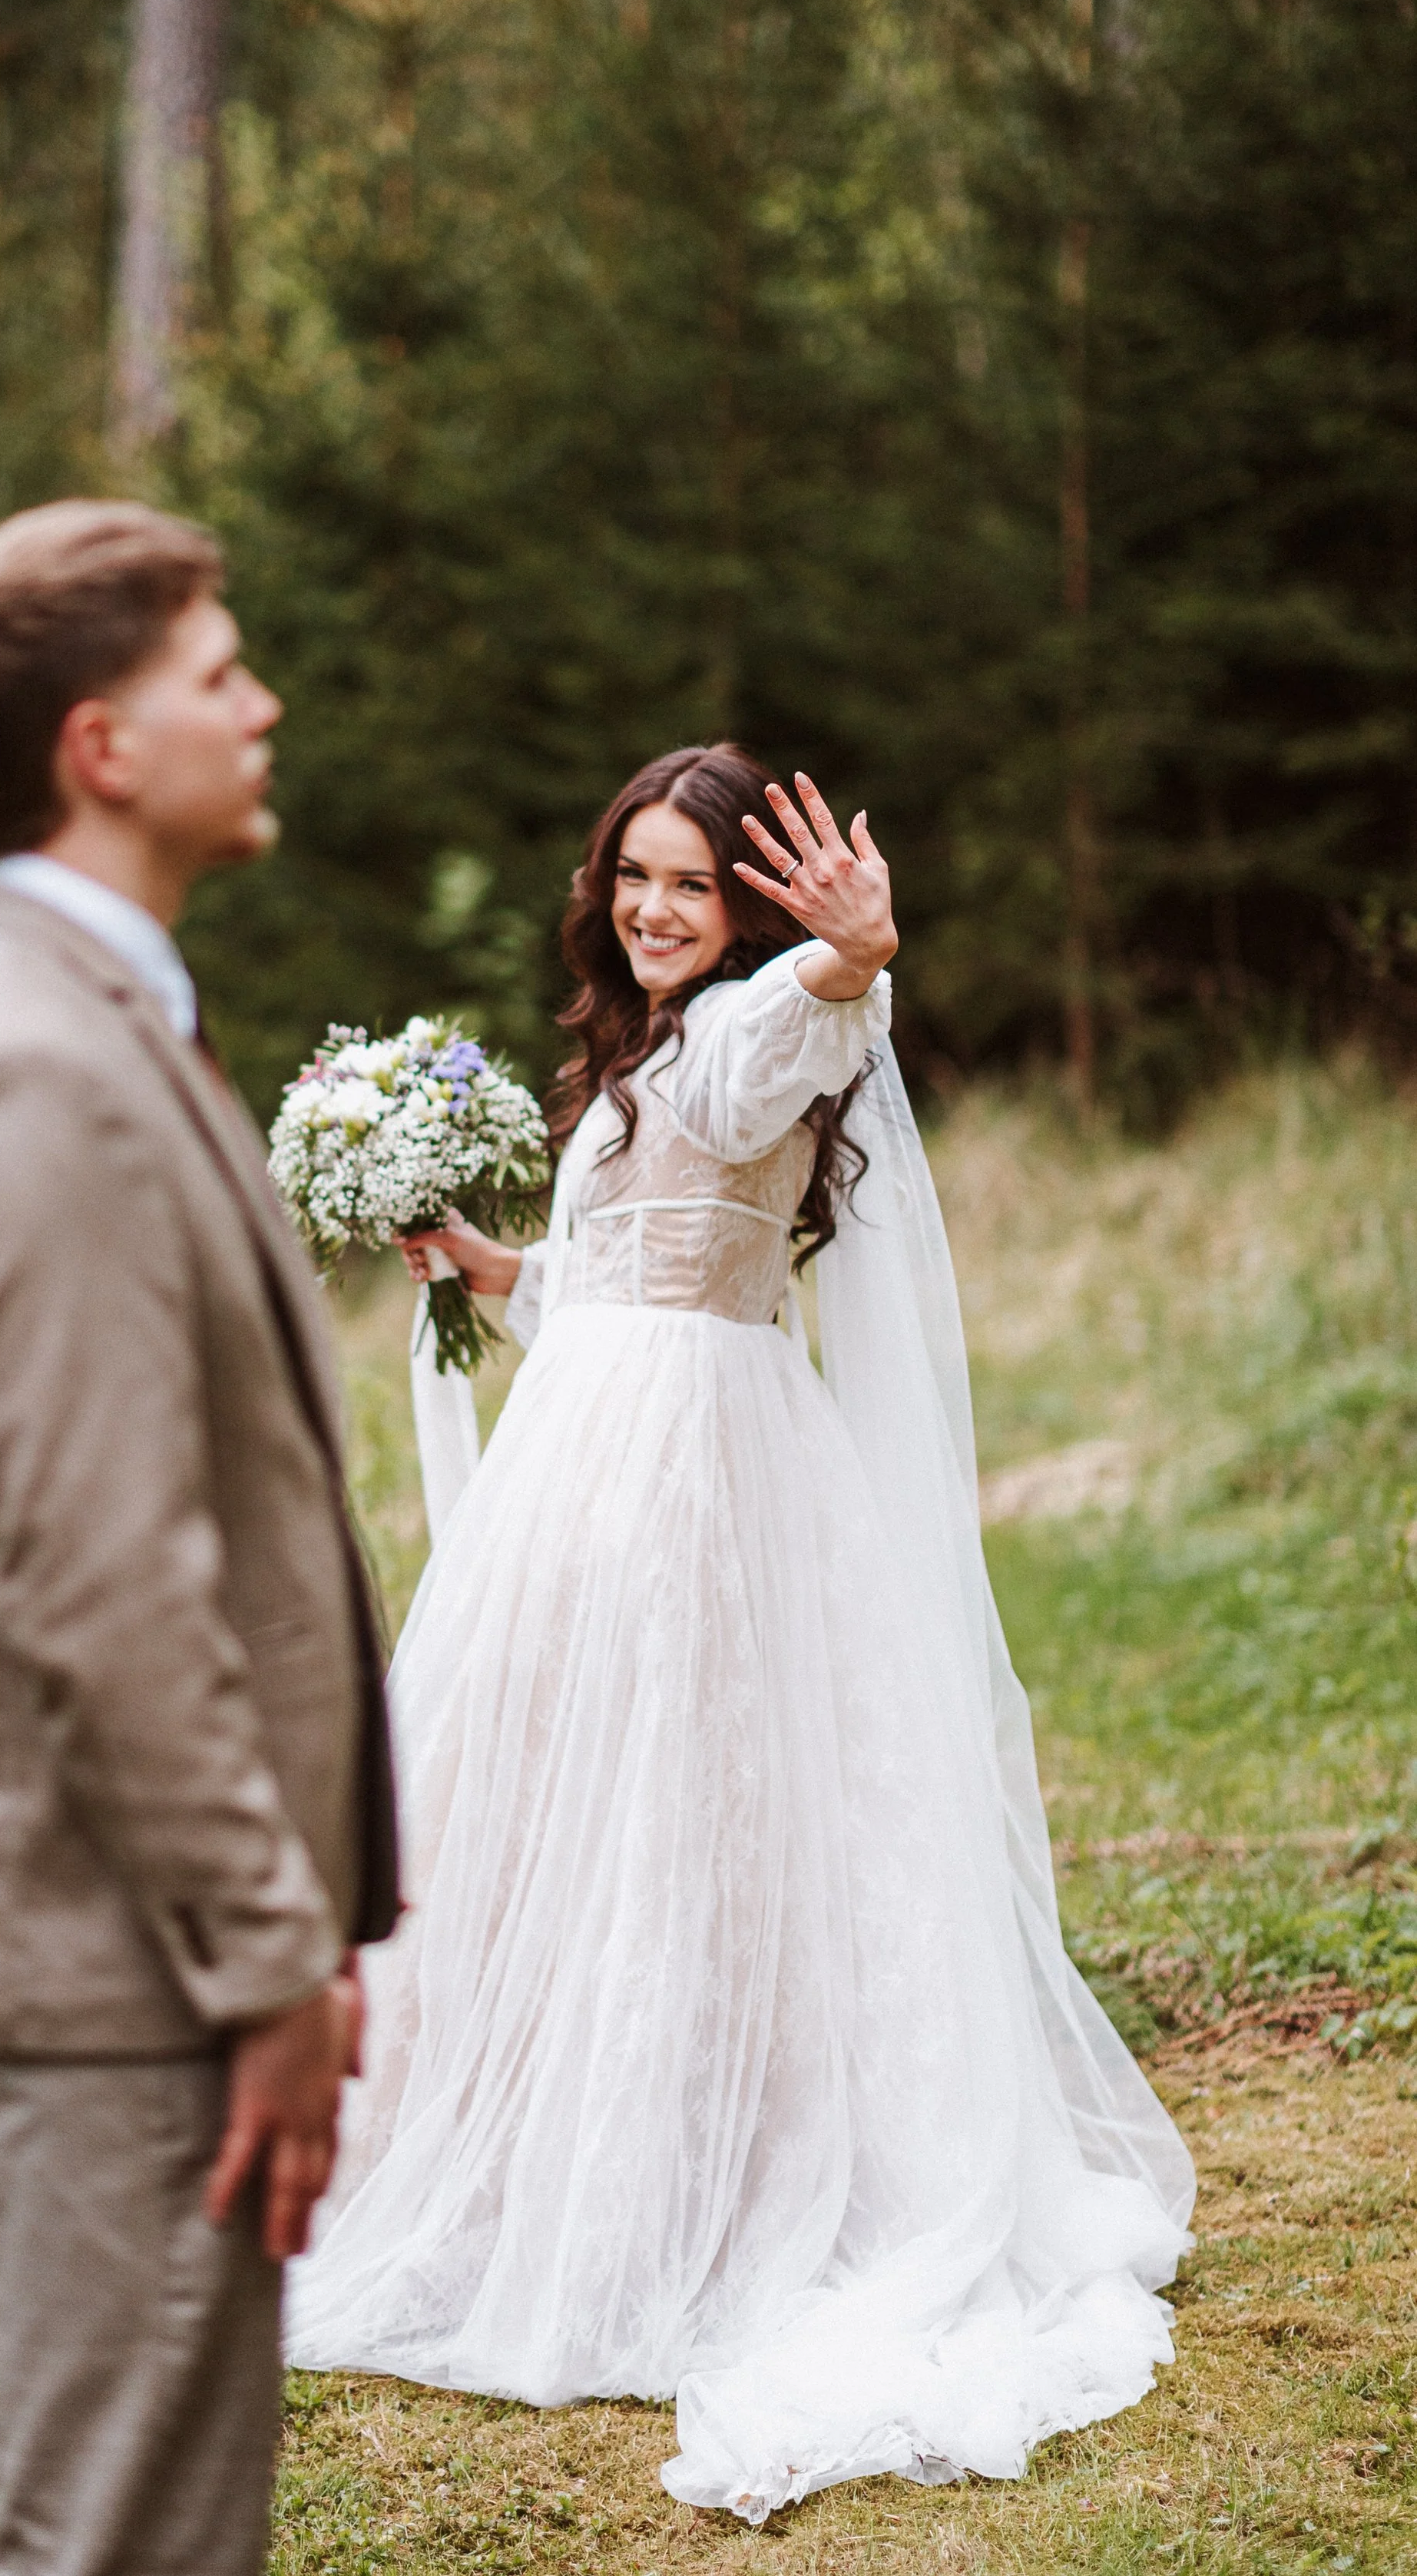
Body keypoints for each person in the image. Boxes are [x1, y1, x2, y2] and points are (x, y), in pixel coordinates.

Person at [284, 742, 1194, 2522]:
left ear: (744, 909)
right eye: (632, 877)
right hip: (591, 1464)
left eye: (688, 886)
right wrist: (491, 1271)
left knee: (690, 1806)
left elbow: (810, 1019)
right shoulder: (642, 1051)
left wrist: (849, 952)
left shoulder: (759, 1022)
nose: (649, 910)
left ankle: (687, 2175)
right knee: (553, 1796)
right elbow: (627, 1285)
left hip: (699, 1477)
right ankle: (528, 2147)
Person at [0, 499, 399, 2576]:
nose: (259, 707)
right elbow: (102, 1588)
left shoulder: (96, 1022)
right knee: (113, 2543)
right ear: (100, 744)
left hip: (139, 1941)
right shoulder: (35, 1078)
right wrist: (266, 1960)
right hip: (123, 1961)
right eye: (215, 673)